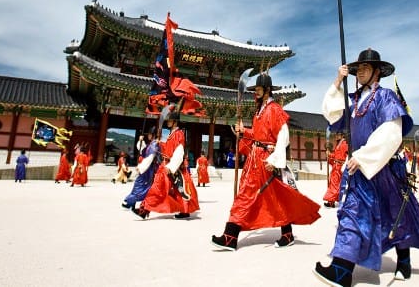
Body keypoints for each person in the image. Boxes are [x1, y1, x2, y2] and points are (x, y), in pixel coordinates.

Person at [314, 49, 419, 286]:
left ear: (377, 72)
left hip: (384, 167)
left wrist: (366, 156)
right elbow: (332, 115)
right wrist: (338, 81)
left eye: (366, 68)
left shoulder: (386, 97)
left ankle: (404, 260)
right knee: (352, 215)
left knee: (394, 216)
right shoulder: (354, 100)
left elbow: (392, 132)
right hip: (358, 170)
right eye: (358, 69)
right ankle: (342, 270)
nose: (360, 72)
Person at [211, 73, 320, 251]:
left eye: (259, 90)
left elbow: (283, 136)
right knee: (274, 197)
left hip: (265, 160)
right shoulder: (259, 112)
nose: (256, 93)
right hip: (255, 159)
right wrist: (244, 131)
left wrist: (276, 160)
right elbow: (258, 135)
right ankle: (287, 234)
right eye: (255, 90)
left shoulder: (275, 109)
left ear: (268, 91)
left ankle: (230, 236)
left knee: (246, 196)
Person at [132, 108, 199, 219]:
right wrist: (159, 143)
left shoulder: (178, 134)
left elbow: (179, 151)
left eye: (170, 120)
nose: (168, 122)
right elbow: (167, 149)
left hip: (170, 166)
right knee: (163, 189)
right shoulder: (171, 135)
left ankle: (146, 210)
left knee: (168, 188)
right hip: (167, 165)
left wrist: (171, 167)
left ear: (175, 121)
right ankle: (145, 209)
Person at [122, 129, 159, 210]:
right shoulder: (151, 144)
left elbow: (150, 158)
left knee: (141, 186)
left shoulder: (155, 144)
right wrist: (140, 140)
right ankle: (131, 202)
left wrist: (141, 167)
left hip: (148, 169)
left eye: (150, 134)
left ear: (153, 135)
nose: (148, 136)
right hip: (146, 168)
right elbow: (143, 150)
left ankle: (133, 203)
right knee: (138, 185)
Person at [323, 132, 348, 208]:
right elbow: (336, 156)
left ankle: (331, 201)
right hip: (336, 166)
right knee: (334, 184)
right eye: (336, 135)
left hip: (339, 167)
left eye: (338, 135)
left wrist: (330, 155)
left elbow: (343, 156)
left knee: (335, 185)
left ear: (342, 135)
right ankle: (331, 201)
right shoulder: (339, 144)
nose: (336, 136)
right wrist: (330, 154)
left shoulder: (344, 144)